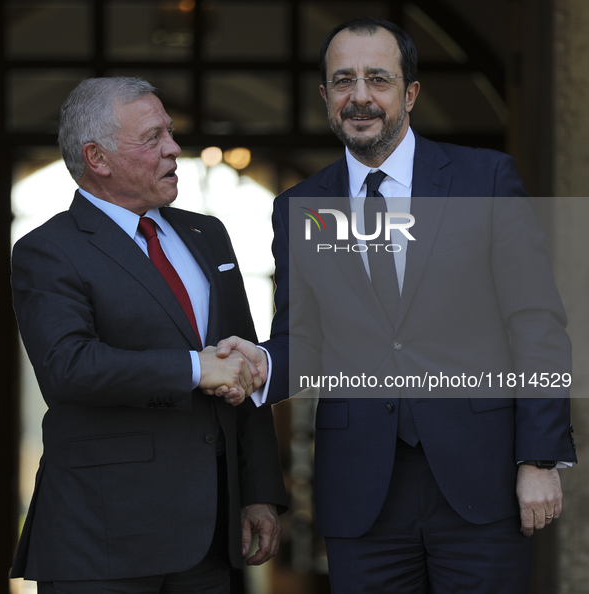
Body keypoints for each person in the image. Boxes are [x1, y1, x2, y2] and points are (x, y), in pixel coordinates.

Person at [215, 17, 577, 594]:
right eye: (343, 81)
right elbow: (302, 340)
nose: (360, 96)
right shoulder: (299, 206)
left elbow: (537, 323)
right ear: (325, 96)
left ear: (409, 93)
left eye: (377, 79)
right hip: (363, 491)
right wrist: (260, 366)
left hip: (482, 480)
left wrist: (539, 458)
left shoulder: (484, 178)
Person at [10, 77, 287, 594]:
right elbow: (68, 367)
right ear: (98, 157)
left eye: (172, 133)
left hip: (209, 537)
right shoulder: (46, 250)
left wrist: (258, 492)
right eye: (153, 137)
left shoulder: (208, 233)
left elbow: (242, 363)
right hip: (102, 535)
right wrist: (194, 367)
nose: (174, 148)